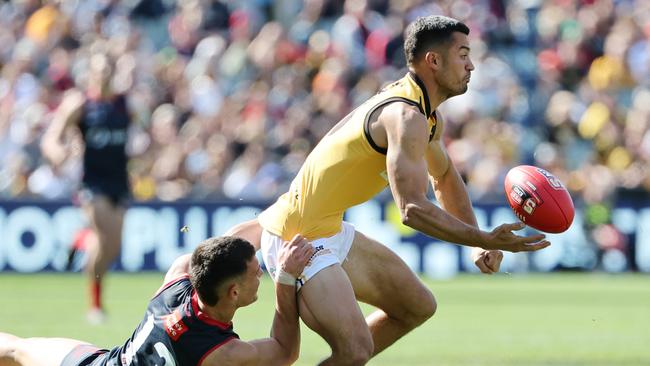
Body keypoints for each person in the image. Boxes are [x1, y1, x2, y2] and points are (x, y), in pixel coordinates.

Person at [226, 15, 552, 365]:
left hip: (326, 229)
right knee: (355, 351)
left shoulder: (425, 115)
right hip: (299, 239)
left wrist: (475, 242)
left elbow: (443, 178)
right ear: (434, 61)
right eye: (463, 55)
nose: (471, 65)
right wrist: (484, 239)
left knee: (417, 306)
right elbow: (412, 209)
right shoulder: (406, 116)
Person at [0, 235, 314, 366]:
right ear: (233, 292)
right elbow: (285, 352)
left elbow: (204, 258)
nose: (262, 275)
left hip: (102, 363)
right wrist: (285, 279)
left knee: (16, 349)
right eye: (257, 273)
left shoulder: (176, 282)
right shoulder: (222, 353)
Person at [41, 53, 130, 323]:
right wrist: (59, 153)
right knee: (104, 238)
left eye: (107, 71)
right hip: (92, 183)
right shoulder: (80, 104)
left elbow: (139, 135)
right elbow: (51, 139)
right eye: (98, 71)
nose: (102, 76)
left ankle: (80, 239)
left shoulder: (124, 104)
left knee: (112, 247)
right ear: (90, 73)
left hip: (119, 181)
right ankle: (95, 307)